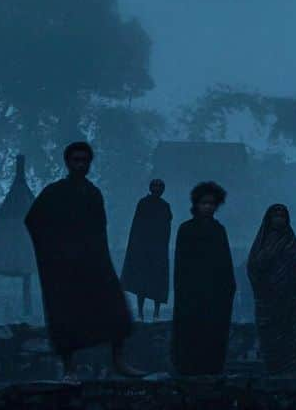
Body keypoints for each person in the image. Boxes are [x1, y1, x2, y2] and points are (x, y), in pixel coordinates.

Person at [24, 141, 144, 382]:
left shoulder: (93, 193)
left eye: (84, 160)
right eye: (75, 160)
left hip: (93, 262)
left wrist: (100, 257)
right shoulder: (54, 192)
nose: (80, 165)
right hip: (64, 267)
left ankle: (119, 361)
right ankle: (69, 368)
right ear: (67, 163)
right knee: (66, 315)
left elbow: (100, 229)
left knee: (115, 308)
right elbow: (34, 220)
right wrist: (56, 251)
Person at [171, 181, 236, 376]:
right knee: (190, 331)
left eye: (212, 203)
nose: (208, 207)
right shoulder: (186, 229)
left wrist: (228, 287)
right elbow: (181, 263)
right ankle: (188, 367)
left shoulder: (219, 230)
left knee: (214, 330)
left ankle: (212, 367)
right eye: (204, 203)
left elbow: (225, 261)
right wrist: (183, 290)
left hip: (215, 291)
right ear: (196, 205)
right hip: (191, 290)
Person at [247, 203, 296, 374]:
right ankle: (271, 368)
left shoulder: (290, 240)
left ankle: (290, 369)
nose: (278, 219)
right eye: (275, 216)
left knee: (287, 333)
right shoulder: (261, 241)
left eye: (282, 216)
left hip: (287, 297)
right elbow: (253, 265)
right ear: (269, 219)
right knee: (269, 334)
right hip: (266, 296)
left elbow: (295, 267)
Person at [121, 179, 173, 321]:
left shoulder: (165, 206)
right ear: (150, 188)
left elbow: (167, 228)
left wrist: (162, 246)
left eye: (160, 187)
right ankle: (140, 313)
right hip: (143, 248)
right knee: (141, 282)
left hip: (158, 249)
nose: (157, 189)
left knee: (157, 281)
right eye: (155, 186)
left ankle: (156, 313)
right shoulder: (143, 203)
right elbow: (137, 226)